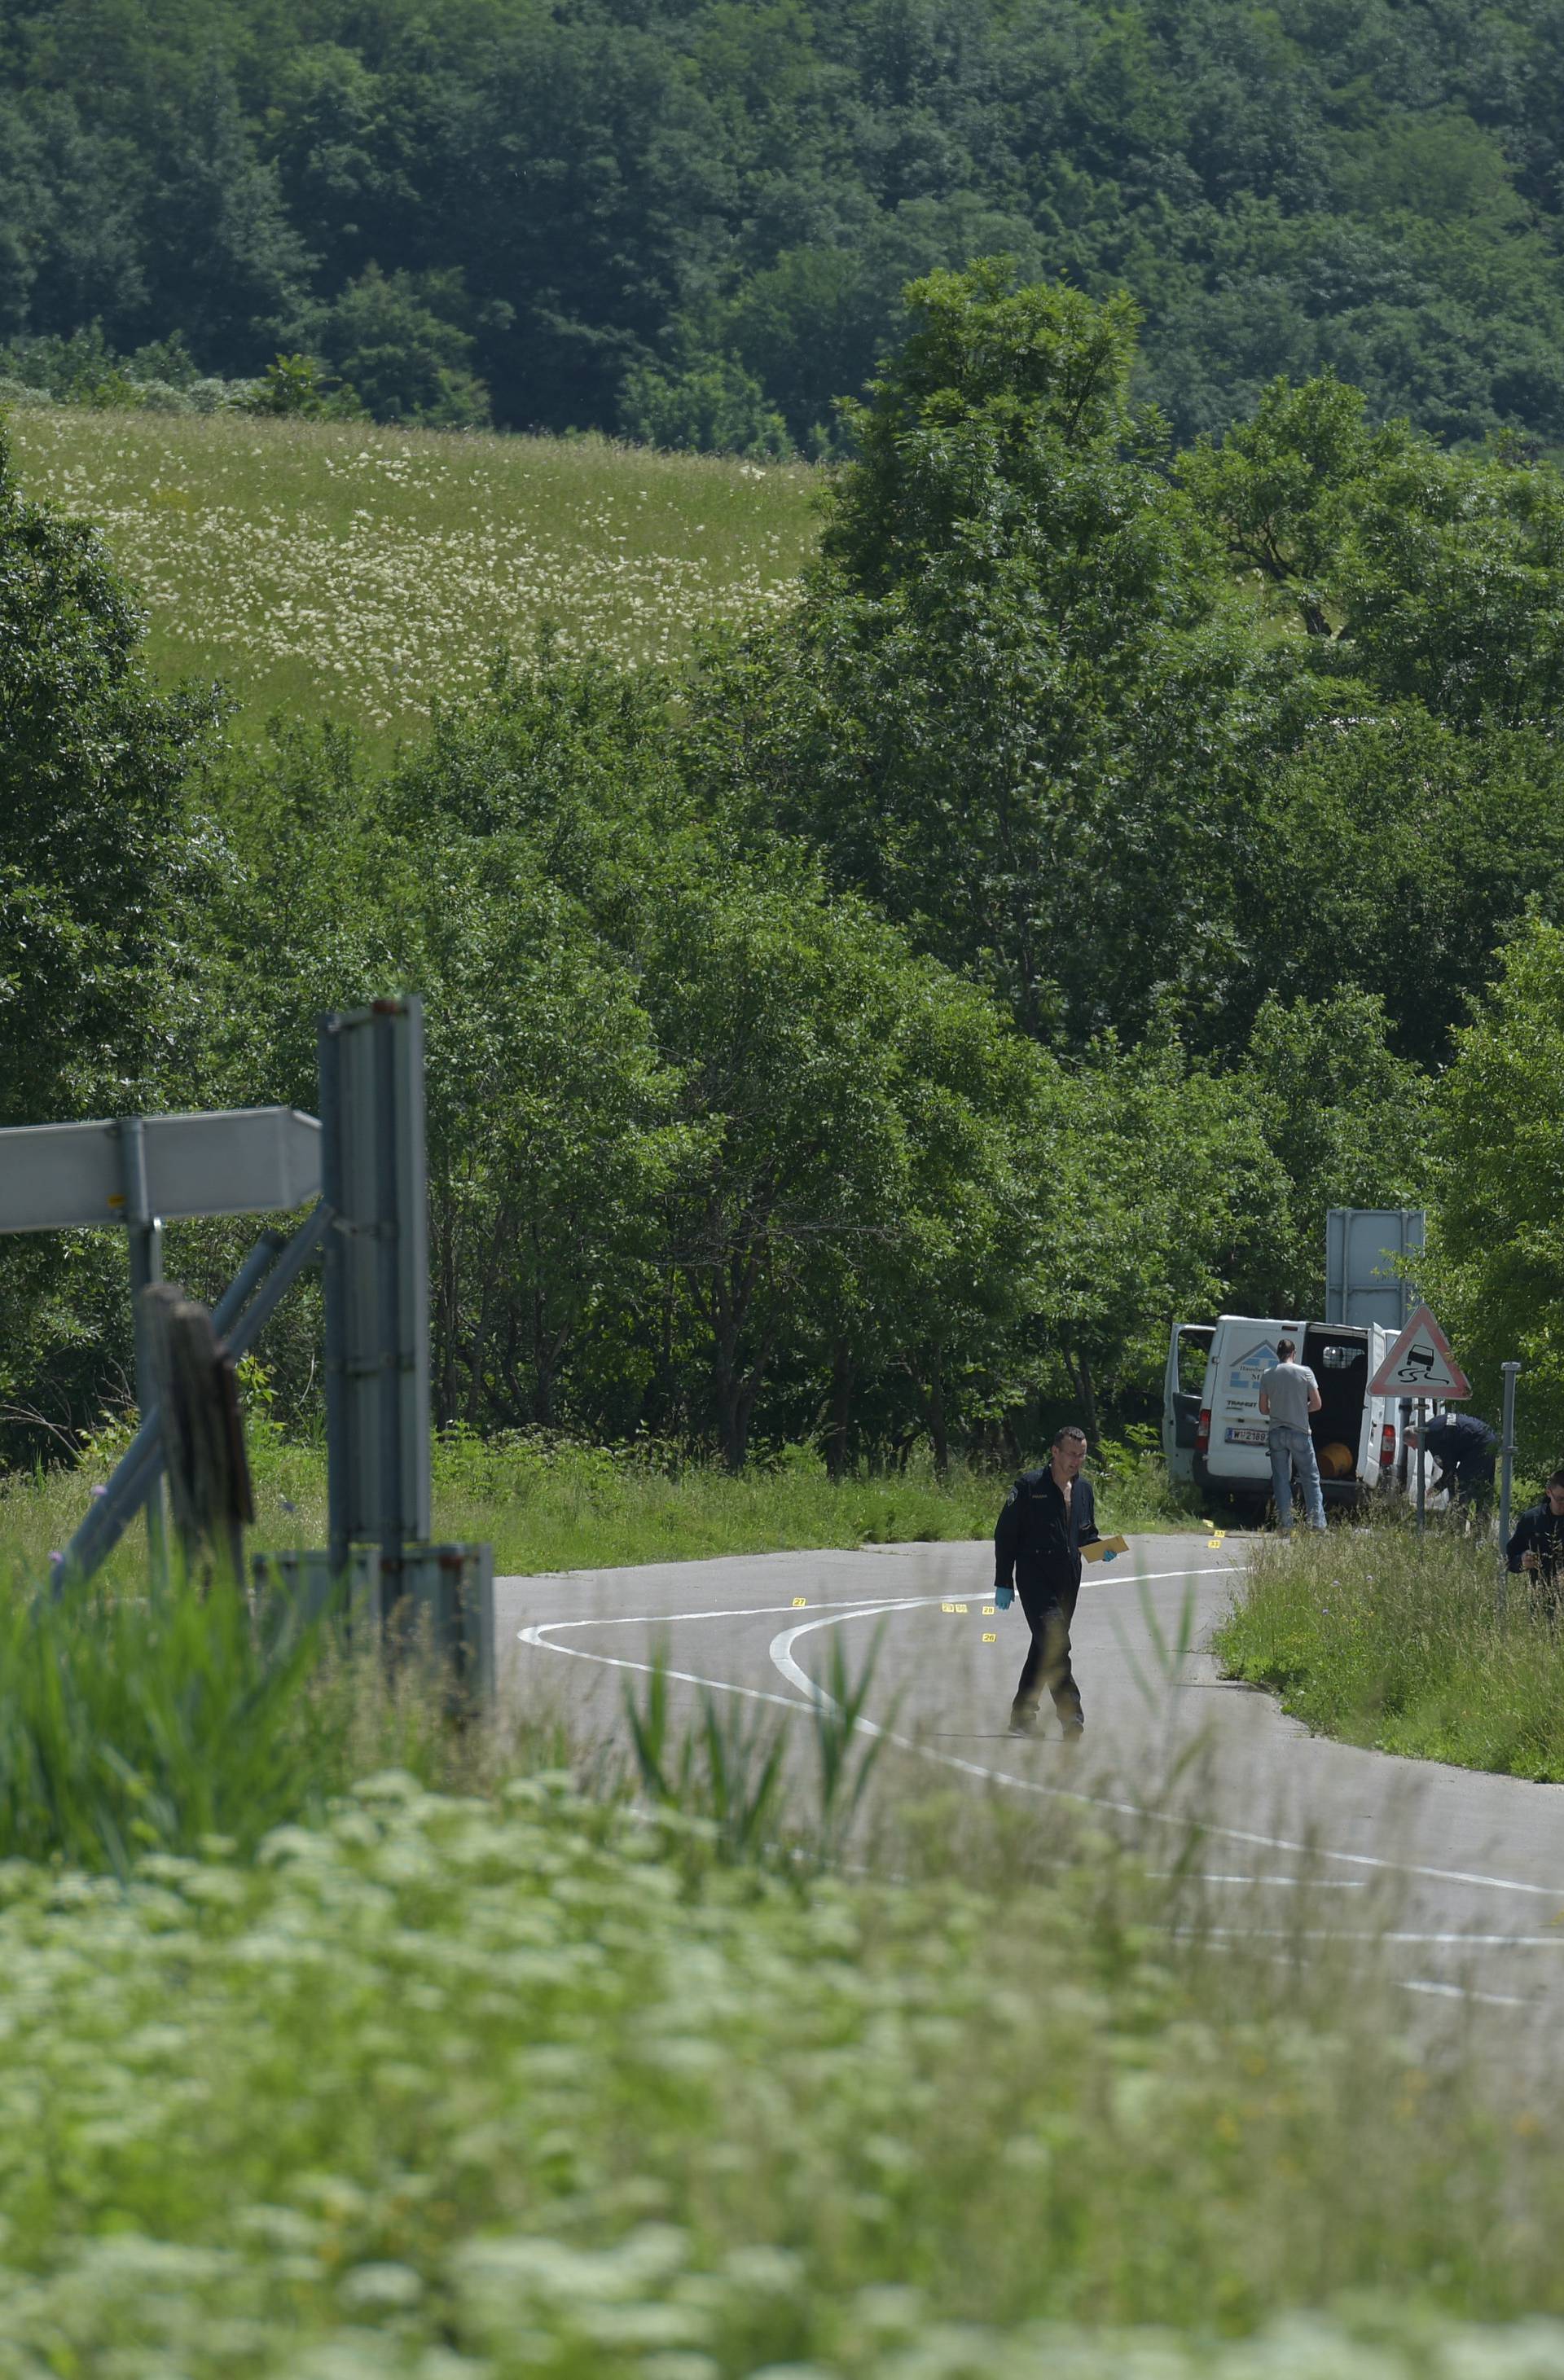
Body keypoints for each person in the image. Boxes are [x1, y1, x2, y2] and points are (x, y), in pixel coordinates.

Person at [994, 1424, 1118, 1741]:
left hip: (1068, 1578)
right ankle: (1072, 1720)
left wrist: (1101, 1548)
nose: (1076, 1461)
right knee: (1056, 1644)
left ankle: (1022, 1717)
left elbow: (1085, 1534)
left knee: (1043, 1647)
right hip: (1035, 1575)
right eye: (1071, 1455)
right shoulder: (1029, 1486)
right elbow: (1006, 1534)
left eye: (1082, 1455)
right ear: (1055, 1452)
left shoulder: (1084, 1490)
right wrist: (1004, 1579)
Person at [1258, 1337, 1327, 1535]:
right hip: (1300, 1433)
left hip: (1277, 1433)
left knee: (1281, 1479)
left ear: (1278, 1355)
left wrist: (1279, 1409)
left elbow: (1263, 1409)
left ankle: (1286, 1525)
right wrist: (1301, 1409)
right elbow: (1317, 1403)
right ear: (1293, 1354)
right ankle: (1316, 1524)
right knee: (1310, 1478)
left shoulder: (1267, 1375)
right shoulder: (1305, 1372)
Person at [1416, 1411, 1498, 1513]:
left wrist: (1433, 1491)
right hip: (1487, 1436)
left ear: (1415, 1438)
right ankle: (1481, 1523)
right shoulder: (1432, 1426)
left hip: (1480, 1443)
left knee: (1463, 1486)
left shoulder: (1433, 1439)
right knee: (1482, 1486)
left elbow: (1450, 1472)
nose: (1414, 1448)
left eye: (1412, 1445)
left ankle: (1459, 1522)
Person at [1505, 1470, 1564, 1599]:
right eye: (1561, 1499)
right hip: (1540, 1599)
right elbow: (1509, 1560)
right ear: (1549, 1493)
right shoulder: (1531, 1519)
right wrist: (1522, 1561)